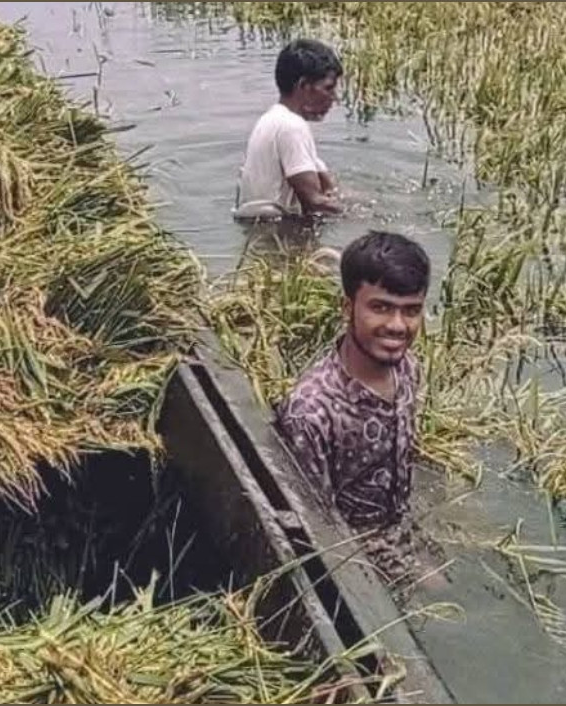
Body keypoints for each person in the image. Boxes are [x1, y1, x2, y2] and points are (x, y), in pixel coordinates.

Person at [274, 230, 435, 591]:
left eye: (411, 311)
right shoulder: (312, 412)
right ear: (348, 307)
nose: (397, 326)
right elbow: (320, 530)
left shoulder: (407, 367)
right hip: (354, 552)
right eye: (380, 307)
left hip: (401, 522)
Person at [235, 39, 343, 220]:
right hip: (279, 235)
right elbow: (315, 202)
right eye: (328, 88)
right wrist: (365, 217)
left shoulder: (271, 119)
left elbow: (328, 186)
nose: (335, 98)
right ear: (303, 86)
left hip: (257, 230)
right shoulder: (292, 127)